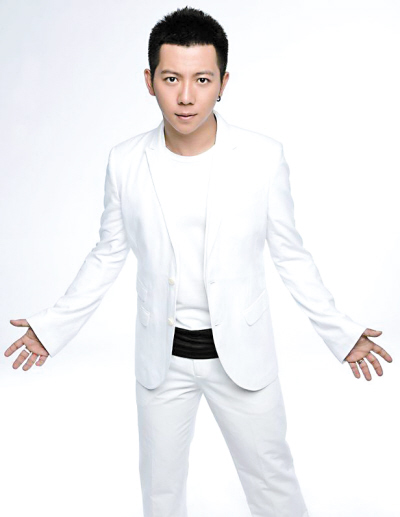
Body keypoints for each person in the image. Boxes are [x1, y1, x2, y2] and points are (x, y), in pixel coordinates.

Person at [4, 6, 393, 517]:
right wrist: (52, 328)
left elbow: (292, 256)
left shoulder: (262, 157)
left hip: (243, 360)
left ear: (223, 83)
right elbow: (107, 254)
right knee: (161, 494)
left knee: (273, 486)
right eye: (171, 79)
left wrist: (341, 334)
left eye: (202, 80)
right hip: (162, 362)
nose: (186, 96)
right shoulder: (125, 161)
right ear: (149, 81)